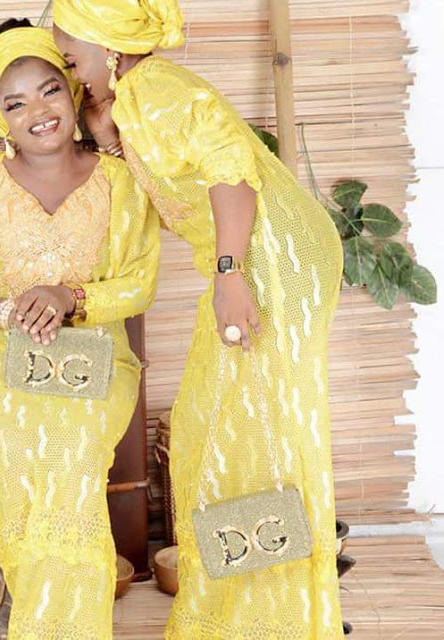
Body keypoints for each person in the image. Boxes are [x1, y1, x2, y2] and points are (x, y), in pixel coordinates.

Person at [52, 2, 345, 638]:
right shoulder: (135, 100)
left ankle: (275, 614)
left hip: (272, 259)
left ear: (107, 42)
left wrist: (230, 275)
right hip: (255, 257)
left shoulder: (157, 89)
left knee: (256, 437)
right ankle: (251, 605)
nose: (67, 69)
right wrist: (107, 133)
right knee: (212, 433)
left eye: (70, 55)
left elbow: (232, 170)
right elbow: (167, 191)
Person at [0, 19, 159, 639]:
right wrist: (6, 314)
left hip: (94, 354)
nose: (38, 111)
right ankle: (43, 615)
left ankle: (58, 623)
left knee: (74, 441)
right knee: (20, 432)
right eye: (16, 103)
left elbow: (139, 282)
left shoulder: (119, 181)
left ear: (73, 90)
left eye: (49, 90)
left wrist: (70, 298)